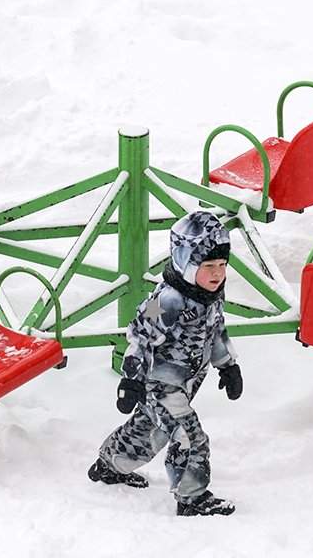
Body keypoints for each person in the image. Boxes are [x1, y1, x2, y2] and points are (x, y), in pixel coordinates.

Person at [88, 211, 244, 516]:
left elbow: (216, 331)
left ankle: (110, 464)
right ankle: (192, 498)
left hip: (186, 382)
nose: (217, 273)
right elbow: (140, 335)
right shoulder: (167, 300)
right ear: (186, 263)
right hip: (160, 384)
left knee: (149, 430)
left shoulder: (210, 296)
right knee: (188, 435)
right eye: (208, 266)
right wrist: (131, 380)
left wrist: (228, 365)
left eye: (222, 265)